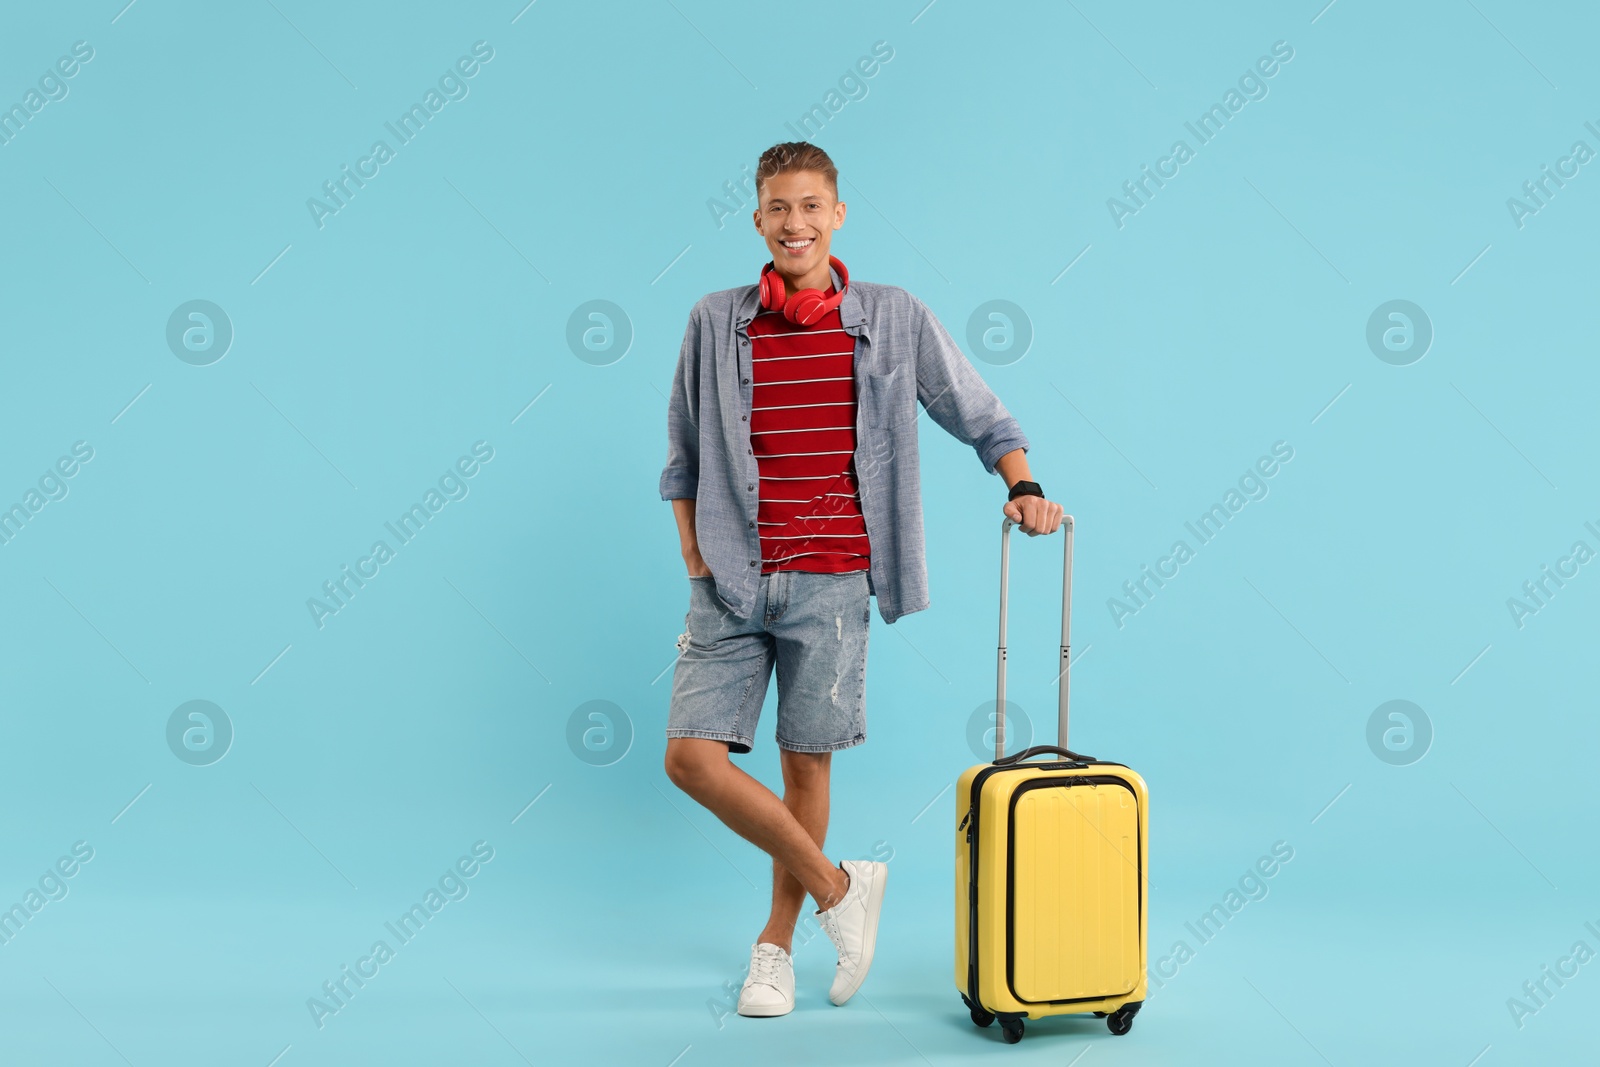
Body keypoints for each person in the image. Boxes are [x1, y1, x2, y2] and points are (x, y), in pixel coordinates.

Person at [658, 142, 1063, 1018]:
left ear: (837, 214)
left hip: (835, 580)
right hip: (731, 579)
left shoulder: (892, 316)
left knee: (806, 769)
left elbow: (976, 410)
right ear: (757, 219)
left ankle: (775, 948)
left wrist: (1023, 485)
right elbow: (682, 456)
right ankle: (843, 891)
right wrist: (695, 553)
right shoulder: (713, 320)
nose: (794, 223)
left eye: (810, 206)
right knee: (691, 759)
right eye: (777, 207)